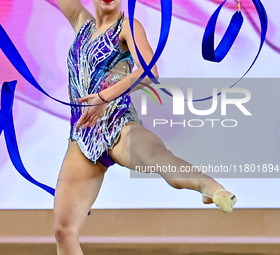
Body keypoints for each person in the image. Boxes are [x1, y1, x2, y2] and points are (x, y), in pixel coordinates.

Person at [52, 0, 237, 254]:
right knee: (64, 231)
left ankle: (210, 186)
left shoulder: (128, 27)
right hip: (83, 139)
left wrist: (104, 97)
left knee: (160, 159)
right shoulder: (81, 23)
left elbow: (149, 71)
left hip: (119, 124)